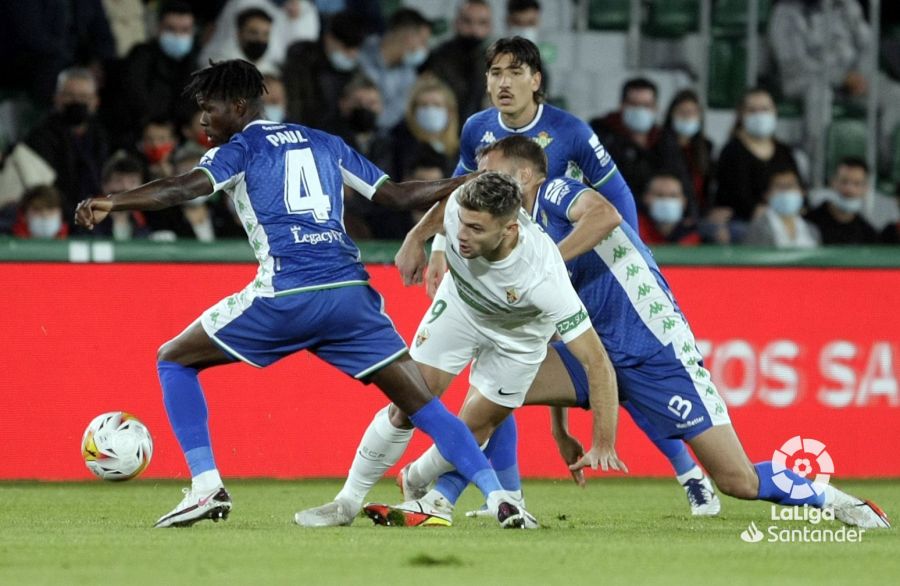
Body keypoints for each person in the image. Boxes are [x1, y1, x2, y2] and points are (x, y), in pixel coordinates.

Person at [73, 59, 527, 530]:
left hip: (286, 294)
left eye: (210, 109)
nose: (203, 120)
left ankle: (206, 486)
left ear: (240, 105)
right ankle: (499, 499)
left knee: (173, 358)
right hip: (350, 295)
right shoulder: (327, 142)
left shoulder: (241, 148)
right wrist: (467, 181)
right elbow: (399, 196)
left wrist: (115, 200)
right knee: (424, 407)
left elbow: (181, 188)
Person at [392, 135, 890, 530]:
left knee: (738, 479)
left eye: (490, 168)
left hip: (656, 352)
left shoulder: (555, 190)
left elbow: (605, 213)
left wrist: (552, 265)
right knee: (491, 399)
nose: (480, 179)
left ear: (523, 175)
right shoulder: (513, 230)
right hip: (597, 349)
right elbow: (544, 337)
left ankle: (838, 500)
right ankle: (437, 499)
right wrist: (560, 429)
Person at [296, 170, 625, 528]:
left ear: (509, 230)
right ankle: (347, 501)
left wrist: (603, 440)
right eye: (463, 224)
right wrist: (415, 237)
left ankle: (416, 476)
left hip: (519, 338)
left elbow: (596, 362)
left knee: (477, 427)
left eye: (477, 230)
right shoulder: (459, 208)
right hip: (461, 308)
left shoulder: (544, 277)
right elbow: (445, 210)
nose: (462, 235)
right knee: (407, 401)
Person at [454, 36, 639, 231]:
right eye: (496, 73)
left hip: (562, 250)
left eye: (515, 73)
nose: (504, 83)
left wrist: (639, 255)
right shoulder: (475, 127)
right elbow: (457, 191)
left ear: (535, 81)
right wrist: (440, 247)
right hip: (502, 246)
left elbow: (617, 193)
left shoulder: (572, 131)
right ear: (487, 81)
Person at [23, 67, 110, 227]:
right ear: (57, 98)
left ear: (95, 101)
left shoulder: (105, 136)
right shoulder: (39, 136)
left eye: (83, 97)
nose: (76, 102)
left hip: (101, 216)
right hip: (58, 218)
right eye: (70, 95)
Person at [108, 1, 199, 149]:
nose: (178, 36)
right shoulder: (140, 57)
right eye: (171, 29)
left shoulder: (193, 63)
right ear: (159, 28)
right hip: (138, 137)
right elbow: (133, 99)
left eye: (184, 30)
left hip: (177, 141)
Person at [713, 88, 800, 240]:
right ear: (741, 115)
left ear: (774, 112)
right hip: (743, 222)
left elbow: (799, 187)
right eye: (752, 110)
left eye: (765, 109)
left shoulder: (785, 151)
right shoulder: (732, 151)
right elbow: (735, 198)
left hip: (785, 219)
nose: (760, 115)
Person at [283, 10, 369, 129]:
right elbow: (296, 106)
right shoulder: (301, 58)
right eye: (346, 48)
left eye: (356, 49)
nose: (352, 55)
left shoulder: (355, 72)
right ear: (329, 38)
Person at [357, 8, 433, 130]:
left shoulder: (409, 77)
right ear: (408, 36)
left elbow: (389, 118)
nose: (426, 48)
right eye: (423, 41)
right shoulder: (361, 50)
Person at [420, 0, 494, 124]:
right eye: (467, 21)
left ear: (489, 26)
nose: (474, 29)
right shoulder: (437, 57)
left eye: (482, 23)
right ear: (456, 22)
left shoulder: (495, 60)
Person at [589, 78, 661, 198]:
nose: (640, 110)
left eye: (646, 105)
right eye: (634, 104)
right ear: (622, 106)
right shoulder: (601, 135)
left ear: (655, 108)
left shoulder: (663, 140)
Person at [653, 89, 714, 219]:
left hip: (701, 213)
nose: (687, 117)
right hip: (673, 214)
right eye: (682, 112)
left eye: (692, 112)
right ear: (672, 115)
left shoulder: (706, 147)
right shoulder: (659, 146)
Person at [388, 77, 460, 181]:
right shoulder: (396, 146)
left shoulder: (461, 152)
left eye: (437, 105)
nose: (430, 110)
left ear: (450, 112)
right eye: (424, 105)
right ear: (413, 112)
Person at [806, 156, 879, 244]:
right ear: (833, 182)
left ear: (865, 189)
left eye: (857, 183)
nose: (849, 189)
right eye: (844, 181)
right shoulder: (808, 223)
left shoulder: (869, 235)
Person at [745, 166, 820, 248]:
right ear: (767, 194)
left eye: (790, 186)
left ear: (802, 192)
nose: (785, 191)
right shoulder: (758, 228)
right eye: (779, 186)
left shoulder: (812, 230)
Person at [638, 172, 700, 246]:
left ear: (684, 201)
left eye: (673, 196)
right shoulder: (635, 229)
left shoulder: (696, 234)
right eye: (660, 195)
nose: (666, 200)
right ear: (646, 198)